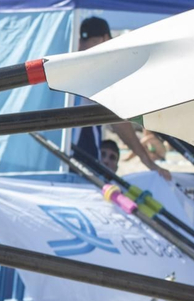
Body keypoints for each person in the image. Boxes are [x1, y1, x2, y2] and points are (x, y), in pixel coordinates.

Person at [73, 17, 171, 180]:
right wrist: (147, 162)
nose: (82, 46)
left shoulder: (69, 62)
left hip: (66, 160)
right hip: (79, 161)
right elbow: (118, 122)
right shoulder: (92, 70)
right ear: (105, 39)